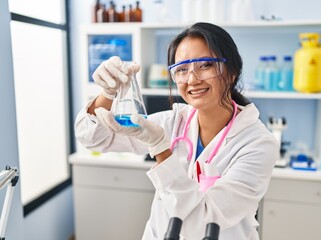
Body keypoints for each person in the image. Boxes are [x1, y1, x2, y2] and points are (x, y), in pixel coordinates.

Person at [75, 22, 279, 240]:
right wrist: (108, 92)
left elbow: (204, 221)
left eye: (206, 65)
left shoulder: (258, 143)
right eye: (181, 69)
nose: (192, 79)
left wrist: (161, 149)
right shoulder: (174, 122)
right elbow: (93, 138)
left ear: (232, 72)